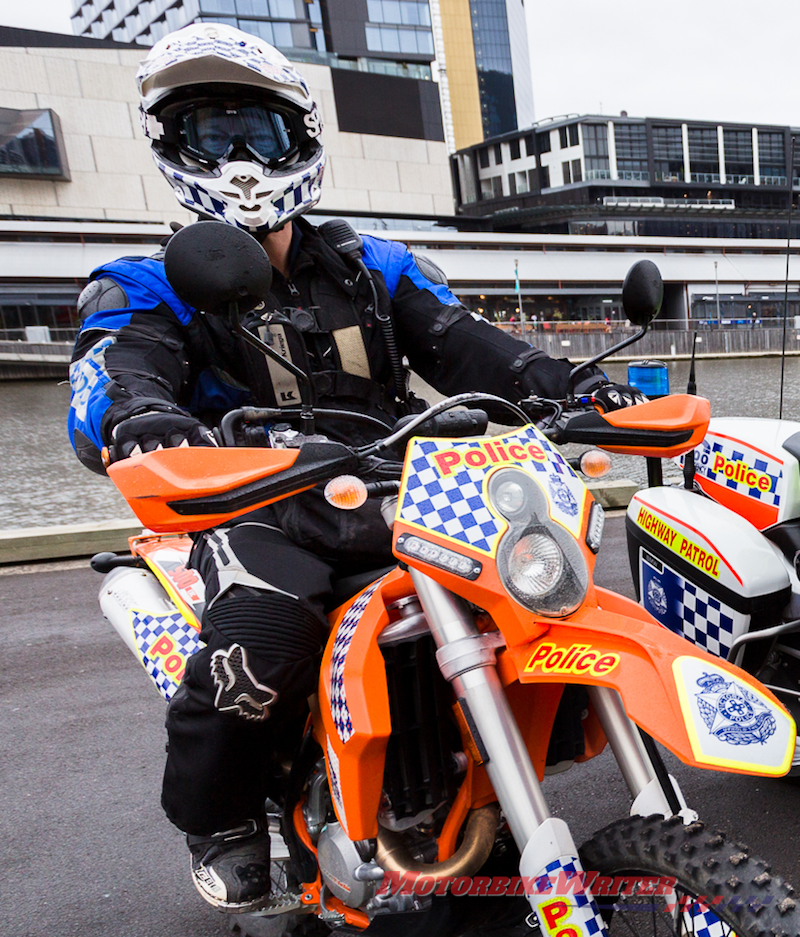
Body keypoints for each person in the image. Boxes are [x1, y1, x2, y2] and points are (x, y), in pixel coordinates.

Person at [67, 23, 646, 915]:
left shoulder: (376, 265)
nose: (243, 158)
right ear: (172, 147)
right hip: (257, 500)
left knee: (549, 580)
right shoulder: (147, 280)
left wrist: (573, 384)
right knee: (262, 639)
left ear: (298, 137)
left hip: (397, 482)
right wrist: (141, 419)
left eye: (259, 131)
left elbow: (467, 347)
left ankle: (483, 770)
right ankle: (221, 819)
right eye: (214, 134)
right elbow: (115, 366)